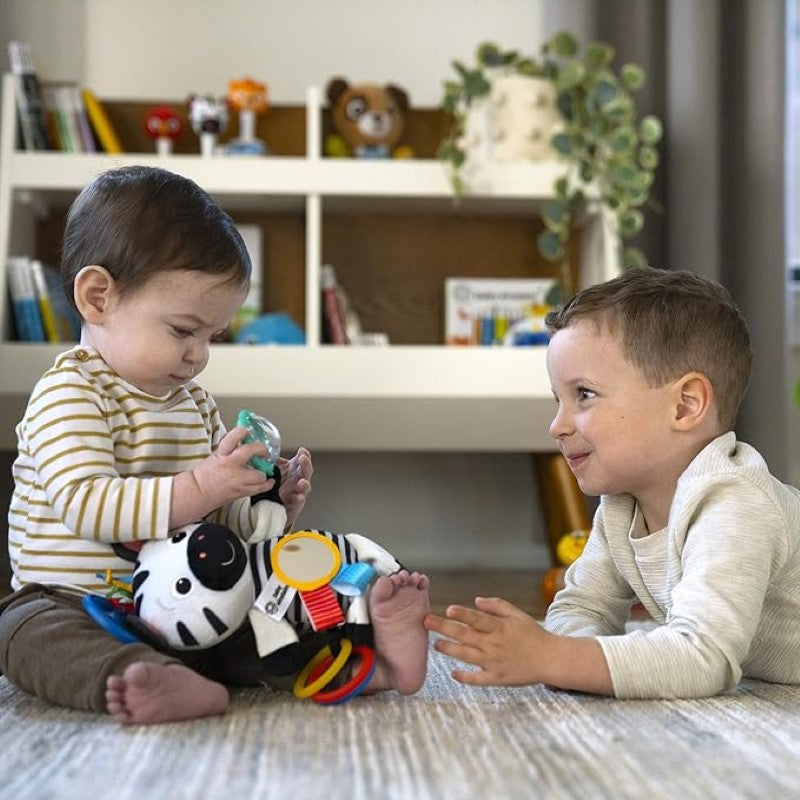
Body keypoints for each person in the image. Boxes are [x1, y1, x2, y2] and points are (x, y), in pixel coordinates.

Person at [1, 165, 429, 724]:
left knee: (259, 618)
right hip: (72, 599)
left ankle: (367, 665)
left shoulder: (196, 404)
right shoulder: (71, 392)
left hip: (188, 600)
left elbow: (217, 530)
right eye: (183, 331)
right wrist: (204, 484)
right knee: (21, 632)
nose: (199, 354)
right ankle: (137, 675)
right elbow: (86, 504)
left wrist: (263, 504)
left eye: (212, 336)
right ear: (98, 296)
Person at [425, 266, 800, 699]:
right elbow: (582, 605)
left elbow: (703, 657)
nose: (557, 426)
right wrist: (563, 651)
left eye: (584, 394)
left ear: (684, 405)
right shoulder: (622, 507)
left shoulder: (735, 505)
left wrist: (555, 657)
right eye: (557, 400)